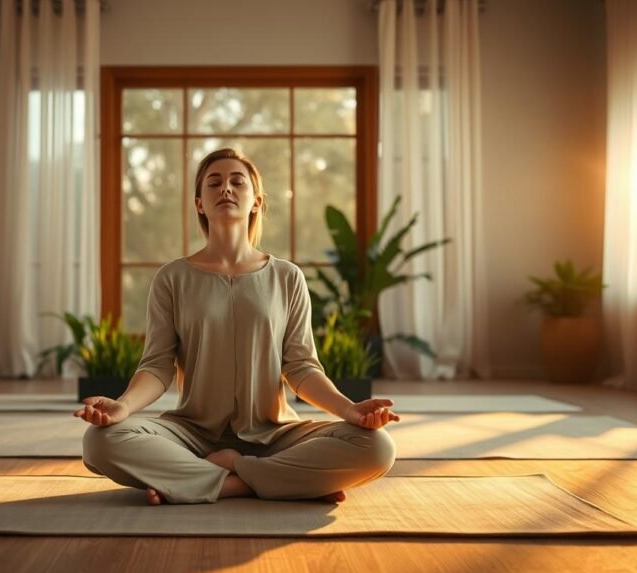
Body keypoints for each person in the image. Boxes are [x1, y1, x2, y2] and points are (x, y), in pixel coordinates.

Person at [76, 147, 398, 505]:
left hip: (276, 435)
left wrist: (350, 410)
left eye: (236, 182)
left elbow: (302, 367)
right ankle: (276, 481)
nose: (225, 189)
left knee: (376, 447)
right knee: (99, 442)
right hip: (191, 434)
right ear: (200, 203)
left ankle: (212, 479)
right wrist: (122, 407)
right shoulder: (172, 278)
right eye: (213, 183)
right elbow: (157, 366)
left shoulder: (287, 277)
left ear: (256, 202)